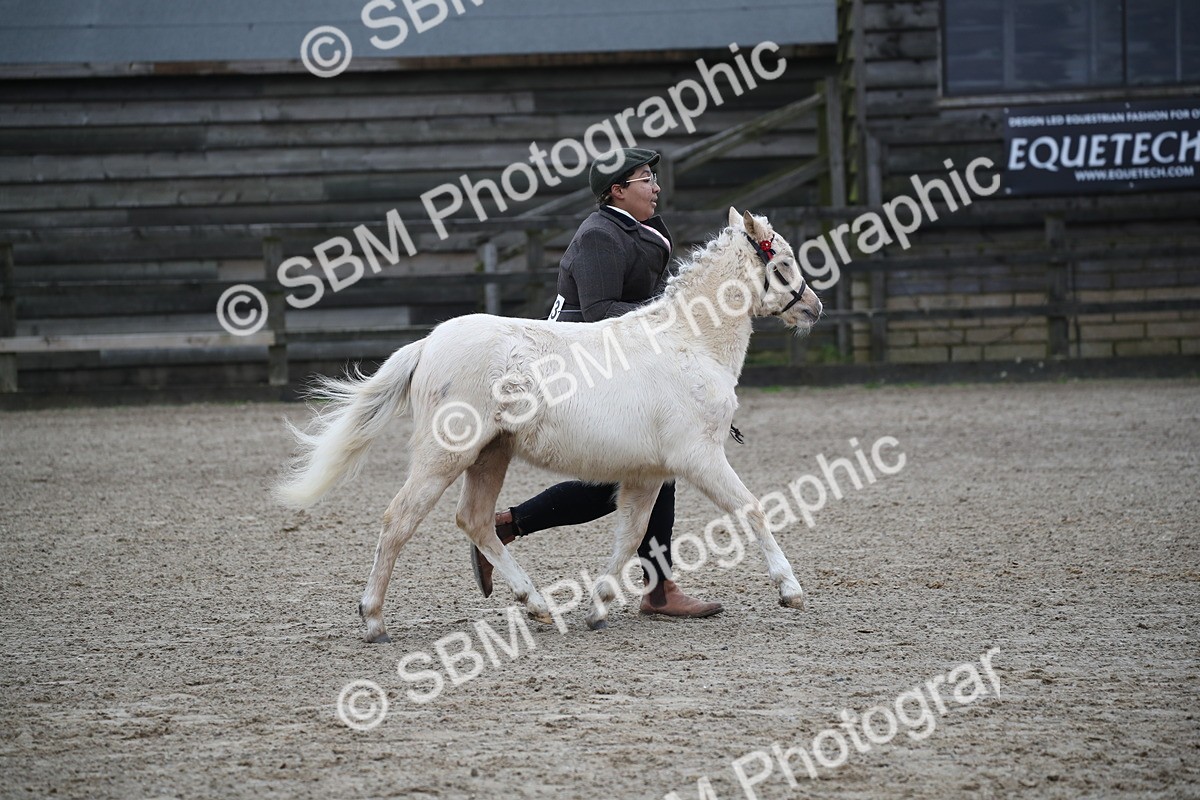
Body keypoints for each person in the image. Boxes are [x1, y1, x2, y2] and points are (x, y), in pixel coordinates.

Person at [469, 147, 723, 618]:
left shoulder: (641, 228)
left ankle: (513, 525)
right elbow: (600, 312)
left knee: (648, 471)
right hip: (574, 365)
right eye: (646, 178)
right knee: (643, 471)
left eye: (653, 177)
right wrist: (670, 316)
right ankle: (658, 588)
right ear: (617, 190)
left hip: (621, 357)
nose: (655, 186)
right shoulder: (600, 236)